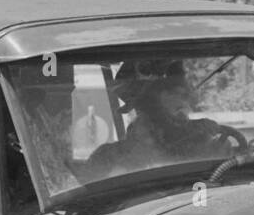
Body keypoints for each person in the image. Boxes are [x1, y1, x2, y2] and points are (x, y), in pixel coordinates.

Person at [86, 59, 237, 176]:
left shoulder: (197, 138)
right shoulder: (109, 157)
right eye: (178, 95)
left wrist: (213, 144)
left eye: (186, 97)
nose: (187, 106)